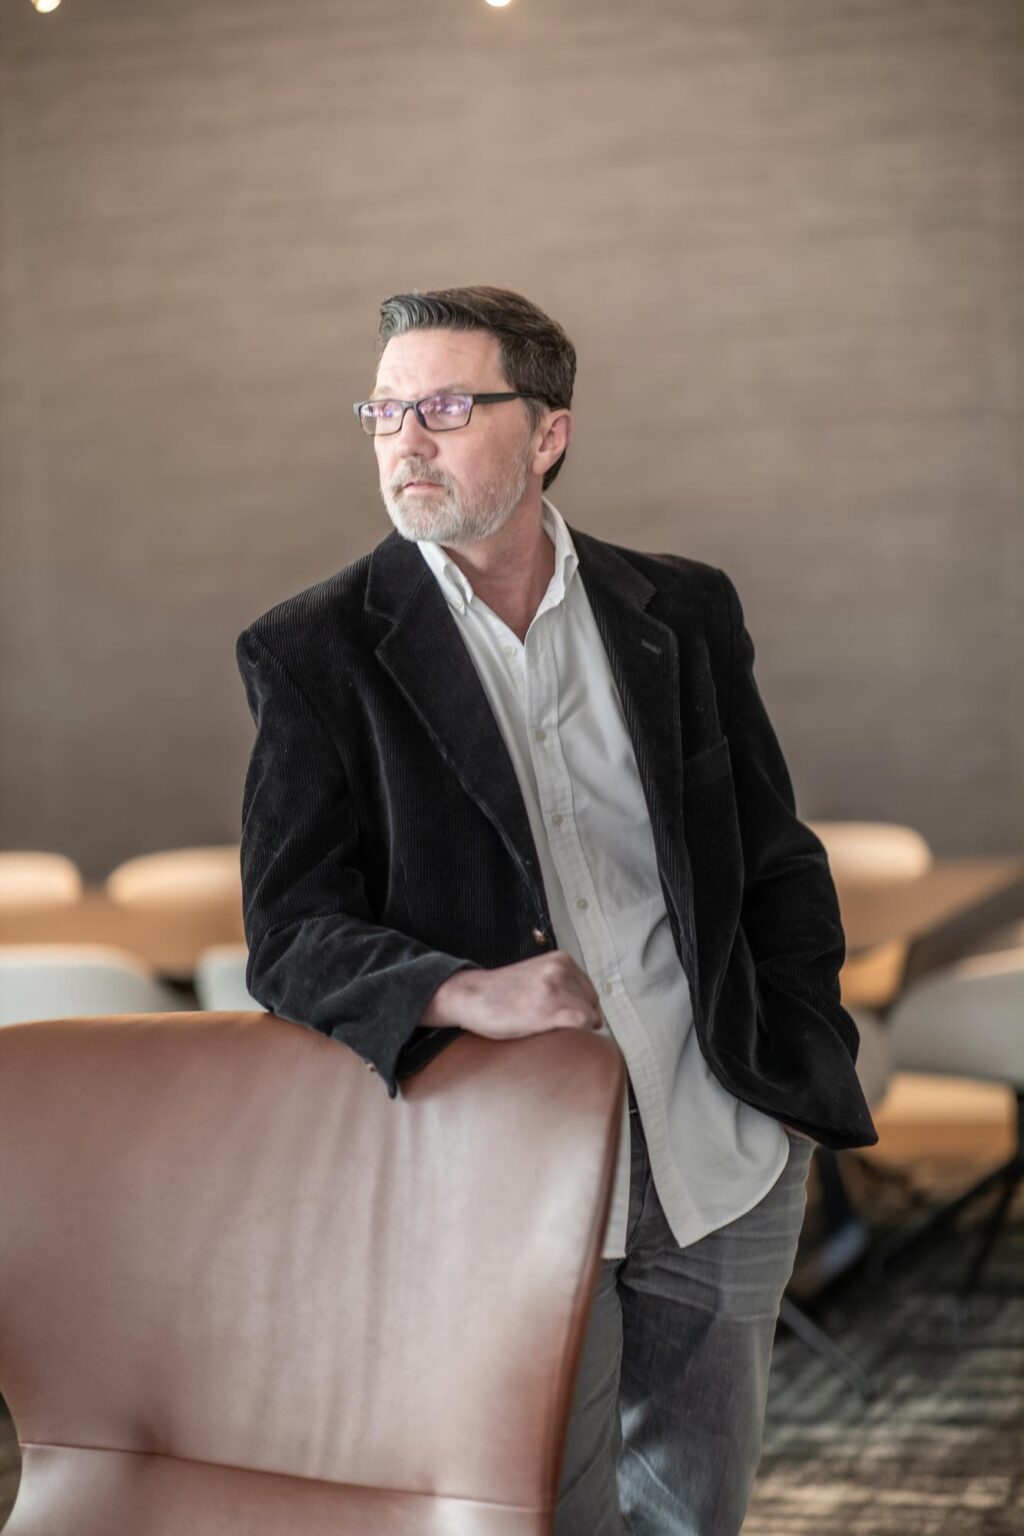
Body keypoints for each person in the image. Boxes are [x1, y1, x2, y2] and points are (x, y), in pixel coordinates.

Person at [236, 285, 877, 1535]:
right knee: (541, 1515)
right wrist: (461, 990)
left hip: (718, 1148)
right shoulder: (314, 652)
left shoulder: (680, 611)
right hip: (504, 1166)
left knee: (696, 1515)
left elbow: (774, 861)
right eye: (383, 410)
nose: (403, 440)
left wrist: (797, 1060)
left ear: (546, 434)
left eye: (444, 406)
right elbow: (292, 932)